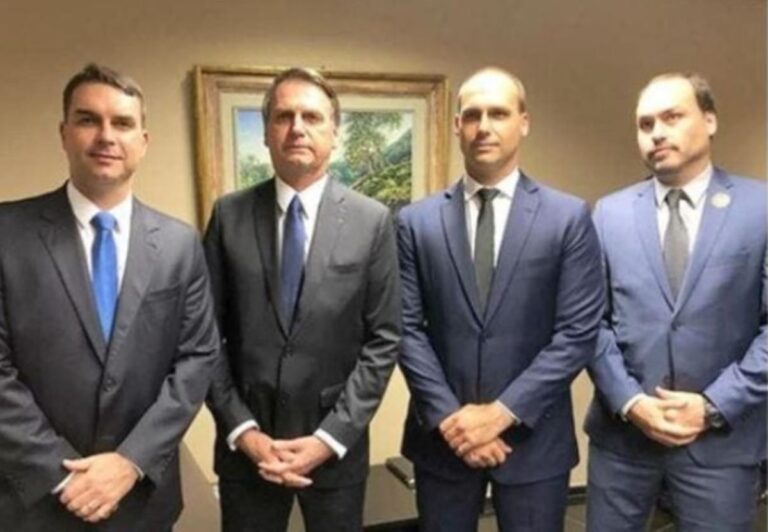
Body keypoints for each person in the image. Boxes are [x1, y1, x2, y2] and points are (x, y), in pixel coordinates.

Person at [0, 63, 219, 531]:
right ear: (64, 133)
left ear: (144, 140)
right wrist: (61, 474)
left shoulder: (179, 244)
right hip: (33, 500)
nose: (106, 136)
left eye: (122, 123)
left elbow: (197, 359)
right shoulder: (7, 234)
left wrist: (130, 461)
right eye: (88, 120)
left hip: (141, 498)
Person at [397, 67, 604, 532]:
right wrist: (452, 421)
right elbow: (405, 329)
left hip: (533, 440)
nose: (484, 126)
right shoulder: (416, 222)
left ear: (523, 122)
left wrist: (500, 414)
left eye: (499, 113)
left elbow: (576, 334)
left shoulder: (567, 218)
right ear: (457, 126)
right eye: (472, 115)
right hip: (443, 441)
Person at [203, 67, 401, 532]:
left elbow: (384, 340)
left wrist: (330, 437)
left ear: (335, 133)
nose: (297, 128)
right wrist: (243, 431)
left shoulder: (372, 222)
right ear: (266, 133)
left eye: (311, 117)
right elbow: (203, 337)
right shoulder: (229, 216)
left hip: (334, 451)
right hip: (247, 452)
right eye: (283, 116)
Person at [585, 72, 767, 531]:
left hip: (721, 445)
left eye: (672, 117)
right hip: (624, 443)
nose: (657, 133)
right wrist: (631, 401)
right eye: (645, 124)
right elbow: (589, 323)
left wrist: (712, 405)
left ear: (710, 120)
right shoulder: (609, 214)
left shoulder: (760, 209)